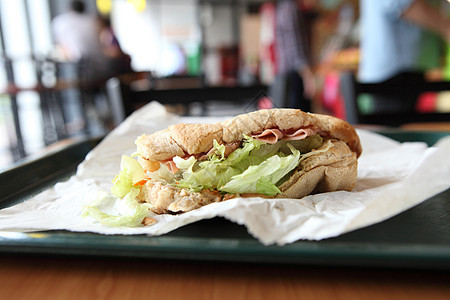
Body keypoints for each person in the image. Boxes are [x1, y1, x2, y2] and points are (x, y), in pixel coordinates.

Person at [358, 0, 450, 113]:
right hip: (394, 71)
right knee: (392, 127)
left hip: (408, 66)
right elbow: (402, 3)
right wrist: (447, 27)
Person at [270, 0, 316, 111]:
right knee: (301, 122)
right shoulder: (290, 10)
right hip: (295, 76)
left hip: (285, 75)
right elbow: (295, 46)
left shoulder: (281, 8)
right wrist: (308, 76)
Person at [52, 0, 115, 81]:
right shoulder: (93, 20)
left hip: (80, 72)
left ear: (70, 9)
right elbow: (106, 42)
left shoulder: (59, 22)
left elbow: (64, 52)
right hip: (104, 66)